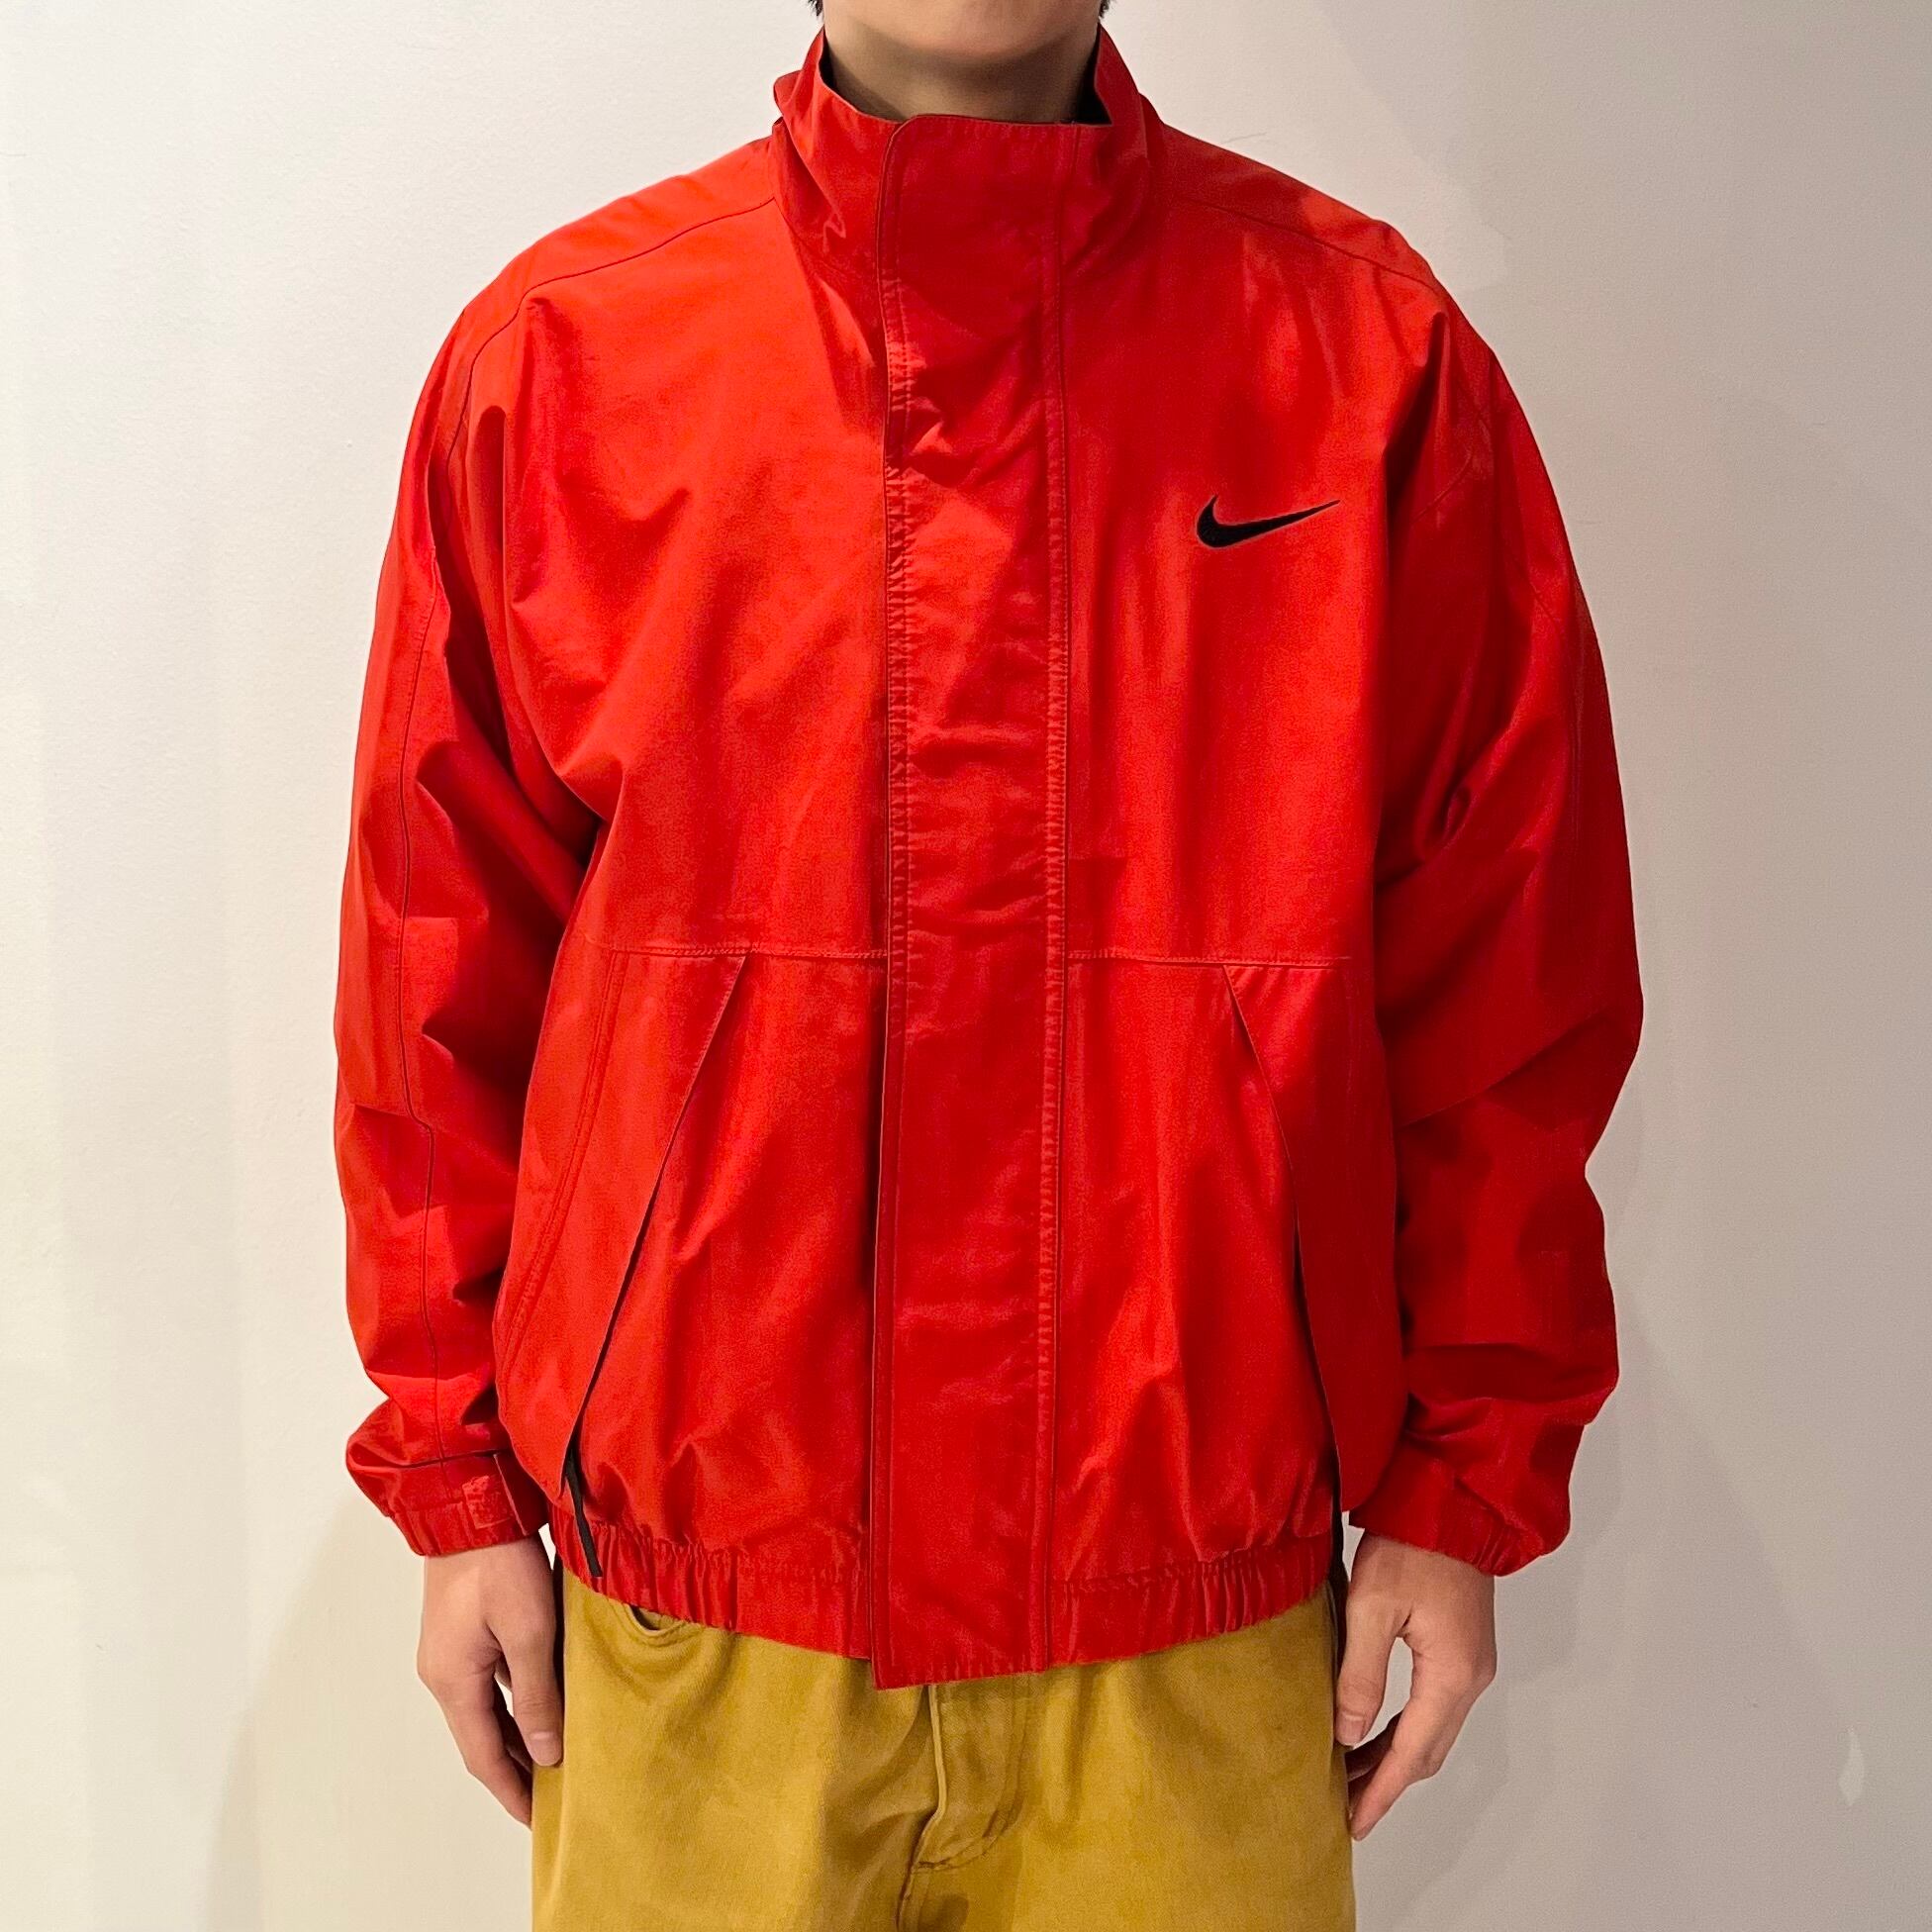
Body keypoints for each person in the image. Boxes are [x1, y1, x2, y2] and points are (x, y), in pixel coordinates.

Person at [331, 2, 1641, 1925]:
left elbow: (1507, 963)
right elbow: (435, 968)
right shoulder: (570, 359)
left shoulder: (1367, 359)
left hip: (1192, 1624)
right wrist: (458, 1489)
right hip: (697, 1622)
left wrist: (1464, 1482)